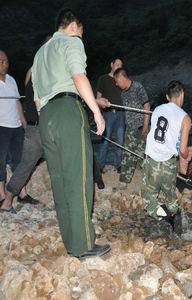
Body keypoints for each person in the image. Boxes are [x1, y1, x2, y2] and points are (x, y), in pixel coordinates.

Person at [31, 8, 110, 259]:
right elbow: (78, 76)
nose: (82, 37)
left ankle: (71, 243)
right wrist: (96, 111)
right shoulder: (71, 42)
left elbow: (36, 99)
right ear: (74, 26)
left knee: (61, 182)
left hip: (46, 118)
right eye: (82, 32)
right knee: (79, 177)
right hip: (67, 112)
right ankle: (85, 245)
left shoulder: (40, 53)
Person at [141, 80, 192, 229]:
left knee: (149, 200)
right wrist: (189, 152)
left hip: (151, 161)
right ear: (182, 93)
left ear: (167, 97)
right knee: (170, 196)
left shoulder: (157, 109)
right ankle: (176, 223)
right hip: (169, 163)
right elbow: (183, 151)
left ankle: (164, 216)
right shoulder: (186, 118)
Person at [1, 67, 43, 213]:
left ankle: (19, 196)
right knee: (13, 163)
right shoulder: (35, 73)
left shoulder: (15, 79)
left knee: (22, 163)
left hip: (24, 125)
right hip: (9, 126)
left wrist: (23, 123)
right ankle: (4, 199)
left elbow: (18, 103)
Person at [114, 67, 150, 185]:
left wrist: (145, 126)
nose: (116, 83)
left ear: (122, 77)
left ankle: (150, 182)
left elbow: (147, 106)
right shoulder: (123, 93)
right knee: (127, 154)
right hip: (130, 129)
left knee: (143, 156)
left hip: (141, 127)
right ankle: (124, 182)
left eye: (116, 80)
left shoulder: (138, 87)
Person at [0, 50, 26, 213]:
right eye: (1, 61)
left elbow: (17, 103)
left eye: (6, 61)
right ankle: (1, 195)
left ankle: (23, 193)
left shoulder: (11, 80)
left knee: (19, 161)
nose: (4, 64)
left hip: (16, 126)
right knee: (0, 162)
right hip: (1, 126)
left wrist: (24, 123)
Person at [96, 58, 125, 171]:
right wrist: (98, 113)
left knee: (120, 140)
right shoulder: (103, 79)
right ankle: (100, 165)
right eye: (117, 64)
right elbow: (98, 97)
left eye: (121, 65)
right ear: (111, 64)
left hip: (121, 114)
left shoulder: (122, 79)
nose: (118, 67)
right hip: (108, 114)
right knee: (105, 140)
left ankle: (118, 164)